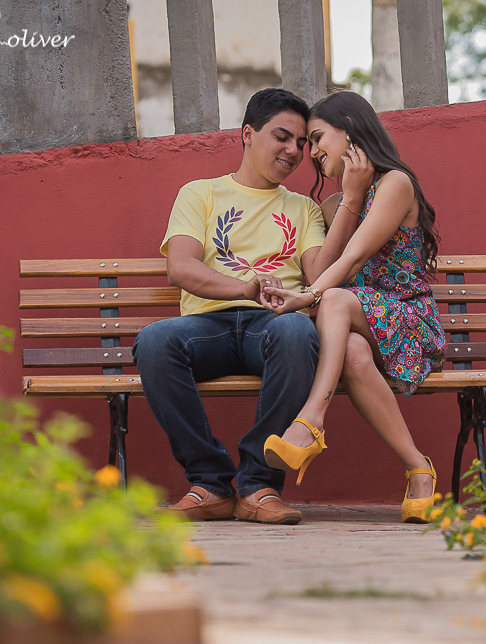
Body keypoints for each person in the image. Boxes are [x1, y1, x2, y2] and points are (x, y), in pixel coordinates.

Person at [134, 88, 373, 524]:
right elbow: (180, 268)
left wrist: (350, 202)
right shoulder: (200, 194)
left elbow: (318, 272)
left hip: (275, 323)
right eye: (281, 137)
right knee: (153, 341)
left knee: (300, 332)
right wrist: (243, 288)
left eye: (302, 143)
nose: (294, 151)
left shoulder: (303, 209)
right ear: (248, 133)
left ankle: (258, 486)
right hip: (209, 325)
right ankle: (209, 483)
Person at [260, 91, 446, 524]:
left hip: (407, 319)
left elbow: (353, 260)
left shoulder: (396, 182)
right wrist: (350, 198)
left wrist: (308, 298)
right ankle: (419, 469)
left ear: (351, 130)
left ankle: (310, 421)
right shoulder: (333, 204)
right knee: (355, 354)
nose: (313, 151)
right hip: (361, 329)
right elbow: (321, 268)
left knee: (339, 298)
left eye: (320, 137)